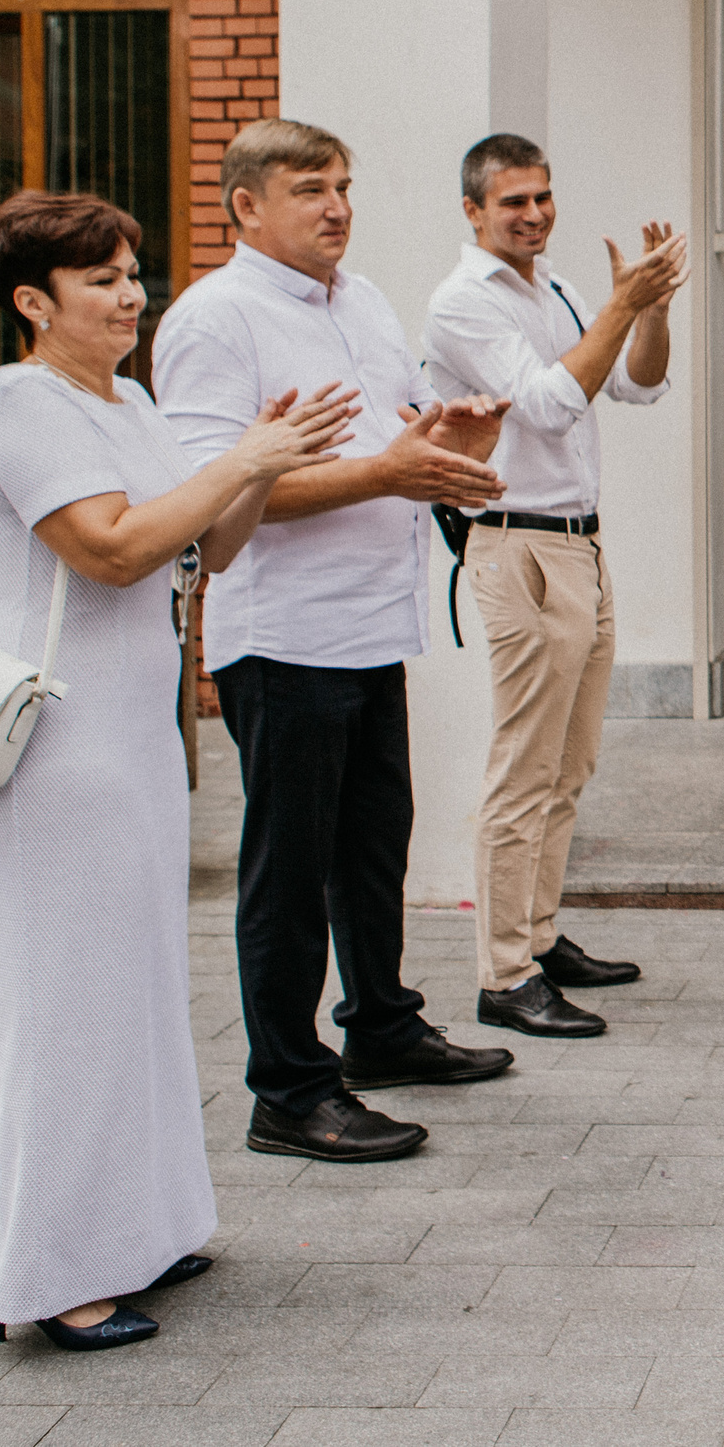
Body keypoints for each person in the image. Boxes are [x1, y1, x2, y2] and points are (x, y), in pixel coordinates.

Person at [0, 191, 355, 1347]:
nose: (131, 295)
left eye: (134, 273)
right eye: (102, 280)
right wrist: (242, 456)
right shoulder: (18, 403)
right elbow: (113, 551)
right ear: (36, 302)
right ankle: (52, 1276)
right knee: (66, 1004)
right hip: (57, 749)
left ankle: (143, 1228)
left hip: (136, 736)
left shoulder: (128, 399)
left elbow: (203, 547)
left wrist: (258, 471)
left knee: (133, 995)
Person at [154, 119, 519, 1166]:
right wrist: (386, 474)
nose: (336, 206)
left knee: (373, 847)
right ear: (245, 207)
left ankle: (382, 1027)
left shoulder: (359, 303)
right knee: (289, 869)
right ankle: (289, 1087)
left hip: (372, 622)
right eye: (310, 188)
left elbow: (386, 443)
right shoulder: (213, 322)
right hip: (284, 636)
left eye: (345, 185)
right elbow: (210, 494)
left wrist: (450, 443)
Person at [423, 134, 686, 1038]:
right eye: (512, 203)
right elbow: (544, 402)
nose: (533, 214)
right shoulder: (463, 304)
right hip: (518, 547)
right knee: (522, 769)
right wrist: (622, 302)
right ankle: (504, 973)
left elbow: (640, 386)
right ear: (472, 211)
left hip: (581, 546)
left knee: (570, 764)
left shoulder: (559, 289)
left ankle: (538, 933)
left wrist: (649, 309)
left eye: (542, 197)